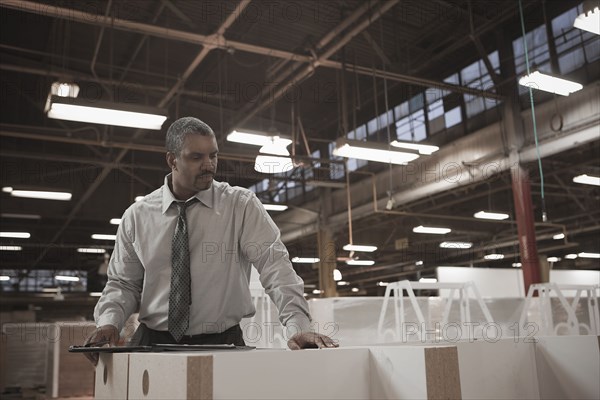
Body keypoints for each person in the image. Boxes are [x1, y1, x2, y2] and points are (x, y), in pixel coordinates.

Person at [83, 117, 337, 364]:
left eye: (213, 155)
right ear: (172, 160)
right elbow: (123, 284)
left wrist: (298, 326)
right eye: (197, 157)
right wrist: (109, 322)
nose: (209, 165)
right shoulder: (137, 216)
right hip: (152, 344)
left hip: (224, 344)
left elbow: (277, 269)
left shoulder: (240, 206)